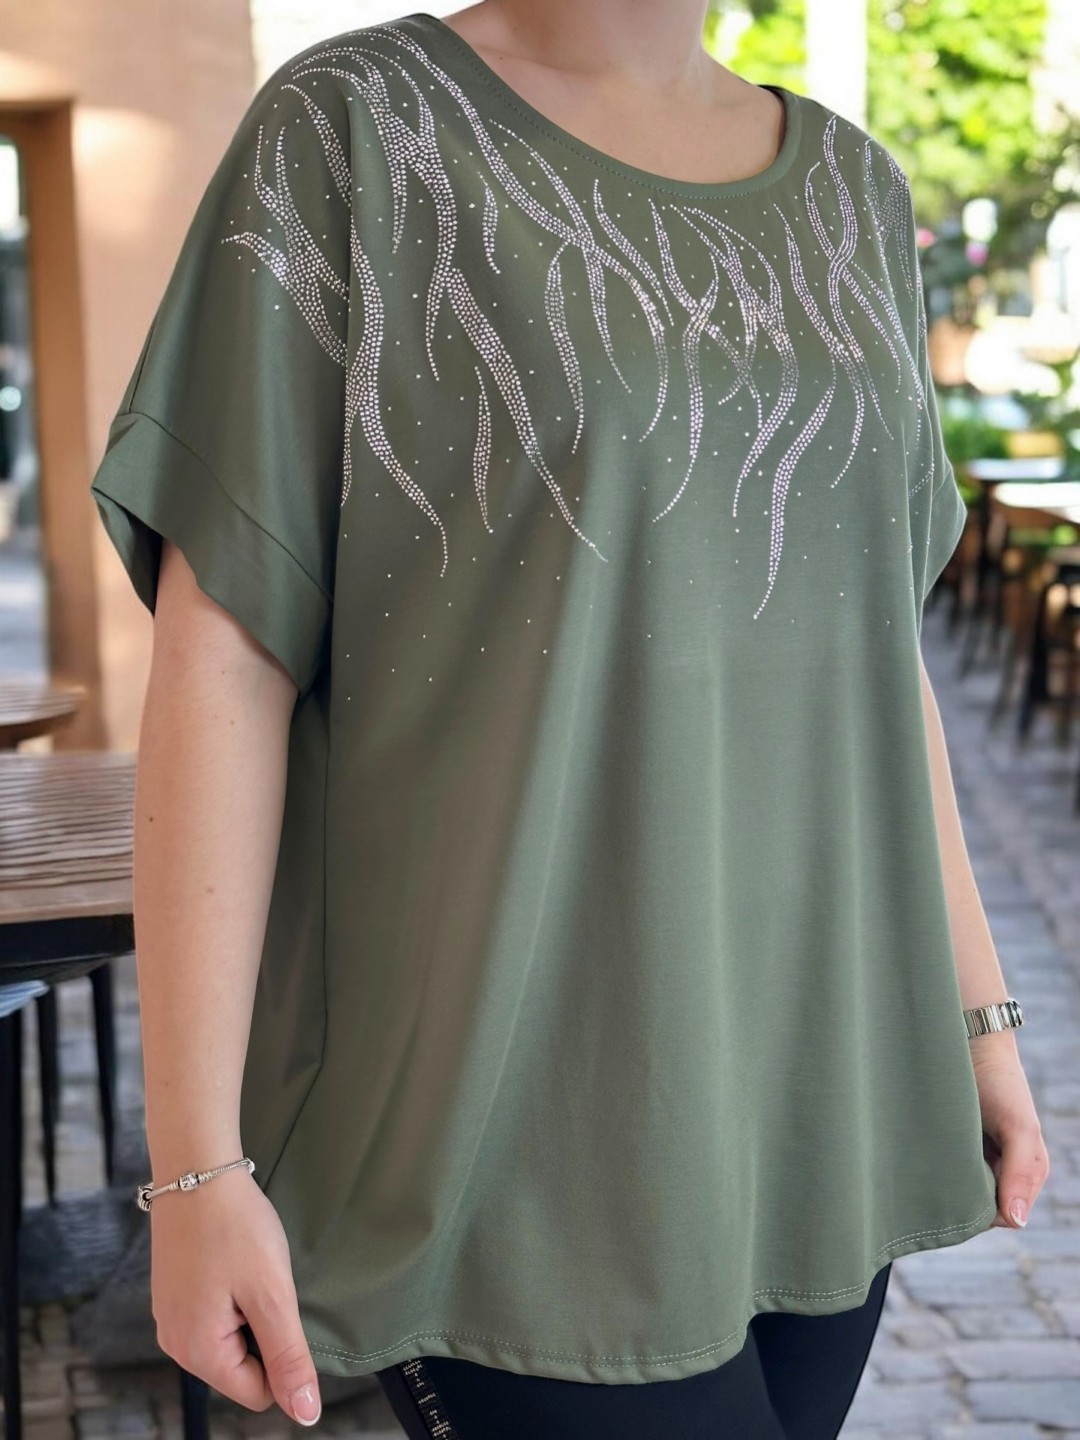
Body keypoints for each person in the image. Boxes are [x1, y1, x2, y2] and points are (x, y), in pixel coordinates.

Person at [88, 2, 1050, 1435]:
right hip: (510, 1138)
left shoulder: (854, 189)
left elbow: (876, 654)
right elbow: (223, 660)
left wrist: (975, 1018)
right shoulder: (358, 131)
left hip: (817, 1095)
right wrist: (194, 1168)